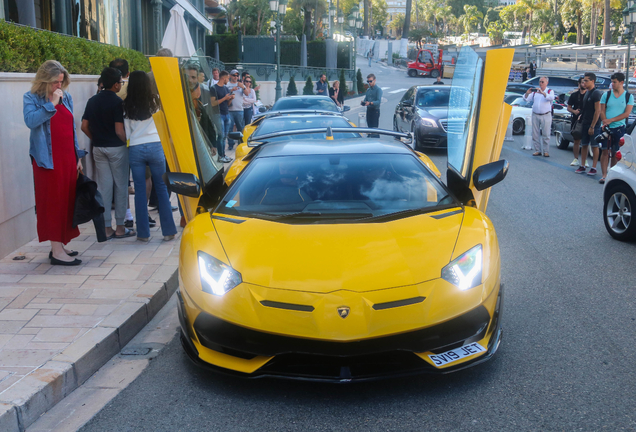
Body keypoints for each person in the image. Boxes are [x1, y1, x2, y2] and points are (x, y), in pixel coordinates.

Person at [23, 60, 85, 266]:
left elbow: (72, 129)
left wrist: (77, 157)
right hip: (47, 161)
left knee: (66, 201)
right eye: (56, 82)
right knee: (52, 203)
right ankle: (57, 252)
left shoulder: (66, 96)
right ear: (45, 80)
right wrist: (51, 105)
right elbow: (31, 121)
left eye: (61, 81)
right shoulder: (31, 98)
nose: (59, 86)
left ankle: (59, 246)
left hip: (67, 159)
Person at [123, 71, 177, 242]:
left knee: (139, 190)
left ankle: (143, 234)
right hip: (155, 145)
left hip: (136, 147)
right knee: (161, 187)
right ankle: (169, 231)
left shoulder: (126, 104)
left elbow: (126, 133)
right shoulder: (156, 100)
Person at [81, 67, 134, 239]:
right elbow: (119, 130)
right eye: (121, 82)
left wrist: (96, 138)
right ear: (116, 84)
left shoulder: (92, 101)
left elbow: (84, 126)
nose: (121, 85)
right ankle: (120, 227)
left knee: (104, 188)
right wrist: (127, 142)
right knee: (120, 187)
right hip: (116, 148)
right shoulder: (118, 102)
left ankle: (105, 227)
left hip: (98, 148)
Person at [599, 72, 634, 184]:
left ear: (621, 82)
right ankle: (604, 175)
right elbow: (602, 110)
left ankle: (611, 174)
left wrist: (611, 120)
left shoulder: (629, 96)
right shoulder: (607, 95)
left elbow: (626, 114)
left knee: (615, 152)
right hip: (606, 127)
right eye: (611, 82)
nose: (612, 84)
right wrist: (605, 122)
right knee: (605, 151)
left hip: (619, 127)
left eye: (614, 82)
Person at [575, 72, 603, 176]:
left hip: (593, 124)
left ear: (592, 81)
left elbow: (597, 111)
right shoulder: (587, 92)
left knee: (594, 146)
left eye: (586, 80)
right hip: (585, 122)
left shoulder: (596, 93)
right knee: (584, 144)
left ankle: (594, 167)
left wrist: (592, 126)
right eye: (583, 81)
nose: (584, 83)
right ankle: (582, 165)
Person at [523, 76, 555, 157]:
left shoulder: (550, 91)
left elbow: (551, 98)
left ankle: (546, 151)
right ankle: (537, 150)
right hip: (535, 114)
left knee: (546, 133)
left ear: (546, 83)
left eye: (542, 82)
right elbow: (526, 99)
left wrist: (543, 93)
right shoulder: (535, 92)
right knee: (535, 133)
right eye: (540, 82)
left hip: (546, 114)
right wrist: (527, 93)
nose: (540, 83)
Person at [211, 70, 234, 163]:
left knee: (224, 136)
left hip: (226, 113)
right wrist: (225, 98)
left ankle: (223, 155)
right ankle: (220, 156)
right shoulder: (214, 88)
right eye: (228, 78)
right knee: (220, 135)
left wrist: (231, 99)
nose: (228, 80)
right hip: (218, 114)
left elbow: (227, 104)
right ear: (223, 78)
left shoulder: (226, 89)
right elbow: (213, 103)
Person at [567, 78, 588, 166]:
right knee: (576, 140)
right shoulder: (574, 95)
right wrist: (574, 111)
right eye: (582, 82)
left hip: (587, 119)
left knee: (585, 142)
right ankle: (576, 158)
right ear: (579, 84)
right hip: (576, 121)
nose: (584, 84)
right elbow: (569, 107)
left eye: (585, 82)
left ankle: (585, 160)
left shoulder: (590, 95)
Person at [226, 69, 245, 150]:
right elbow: (224, 93)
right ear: (230, 76)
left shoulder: (241, 84)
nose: (236, 77)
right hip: (230, 110)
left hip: (239, 109)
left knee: (240, 128)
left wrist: (243, 87)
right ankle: (230, 144)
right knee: (229, 128)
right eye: (234, 75)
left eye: (237, 75)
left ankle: (240, 143)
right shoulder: (227, 84)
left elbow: (247, 93)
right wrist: (231, 90)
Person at [363, 73, 383, 138]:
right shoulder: (368, 90)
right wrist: (363, 102)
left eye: (371, 81)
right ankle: (370, 139)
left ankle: (376, 140)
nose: (369, 83)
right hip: (369, 110)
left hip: (375, 110)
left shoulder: (378, 90)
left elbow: (378, 101)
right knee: (369, 127)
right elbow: (366, 99)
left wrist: (370, 103)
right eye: (368, 81)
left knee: (374, 128)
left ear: (374, 80)